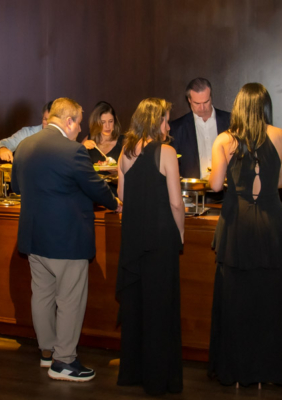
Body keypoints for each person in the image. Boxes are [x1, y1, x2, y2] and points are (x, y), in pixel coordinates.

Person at [11, 97, 118, 382]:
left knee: (42, 295)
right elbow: (95, 187)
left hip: (34, 237)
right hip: (66, 238)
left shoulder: (24, 146)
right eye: (79, 123)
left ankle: (47, 352)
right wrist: (115, 203)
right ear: (68, 121)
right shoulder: (73, 151)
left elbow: (17, 187)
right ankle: (65, 361)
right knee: (70, 299)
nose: (80, 129)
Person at [208, 83, 282, 388]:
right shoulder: (279, 135)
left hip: (236, 225)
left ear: (238, 107)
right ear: (265, 107)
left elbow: (215, 186)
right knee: (269, 300)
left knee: (234, 300)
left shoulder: (225, 139)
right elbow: (279, 182)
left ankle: (235, 372)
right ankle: (267, 372)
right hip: (270, 224)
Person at [116, 98, 184, 395]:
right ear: (156, 121)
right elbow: (176, 203)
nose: (168, 126)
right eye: (166, 120)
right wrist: (181, 233)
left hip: (133, 237)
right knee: (160, 308)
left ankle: (133, 373)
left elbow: (122, 195)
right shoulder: (166, 151)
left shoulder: (125, 151)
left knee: (136, 308)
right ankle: (159, 379)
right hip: (160, 238)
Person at [170, 77, 231, 179]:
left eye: (206, 102)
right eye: (197, 103)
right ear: (189, 100)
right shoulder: (177, 128)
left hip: (226, 187)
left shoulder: (230, 121)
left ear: (211, 97)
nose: (202, 108)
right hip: (193, 188)